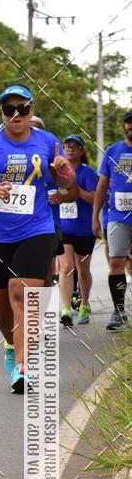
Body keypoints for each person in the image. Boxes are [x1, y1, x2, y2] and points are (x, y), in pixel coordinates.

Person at [0, 84, 76, 393]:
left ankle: (24, 365)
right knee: (1, 305)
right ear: (1, 112)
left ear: (31, 110)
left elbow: (67, 184)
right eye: (9, 109)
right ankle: (12, 346)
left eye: (22, 108)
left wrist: (64, 170)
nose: (16, 114)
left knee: (22, 293)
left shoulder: (48, 142)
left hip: (36, 229)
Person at [92, 109, 132, 330]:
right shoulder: (112, 151)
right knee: (116, 262)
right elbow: (101, 187)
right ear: (124, 126)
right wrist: (95, 217)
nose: (131, 126)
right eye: (129, 122)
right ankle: (118, 312)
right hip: (118, 217)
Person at [56, 135, 98, 326]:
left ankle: (84, 304)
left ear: (81, 151)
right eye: (67, 146)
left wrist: (75, 189)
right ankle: (66, 309)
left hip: (84, 229)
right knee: (66, 266)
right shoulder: (57, 173)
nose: (71, 149)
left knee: (83, 269)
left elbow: (94, 198)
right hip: (64, 227)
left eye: (75, 146)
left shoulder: (87, 173)